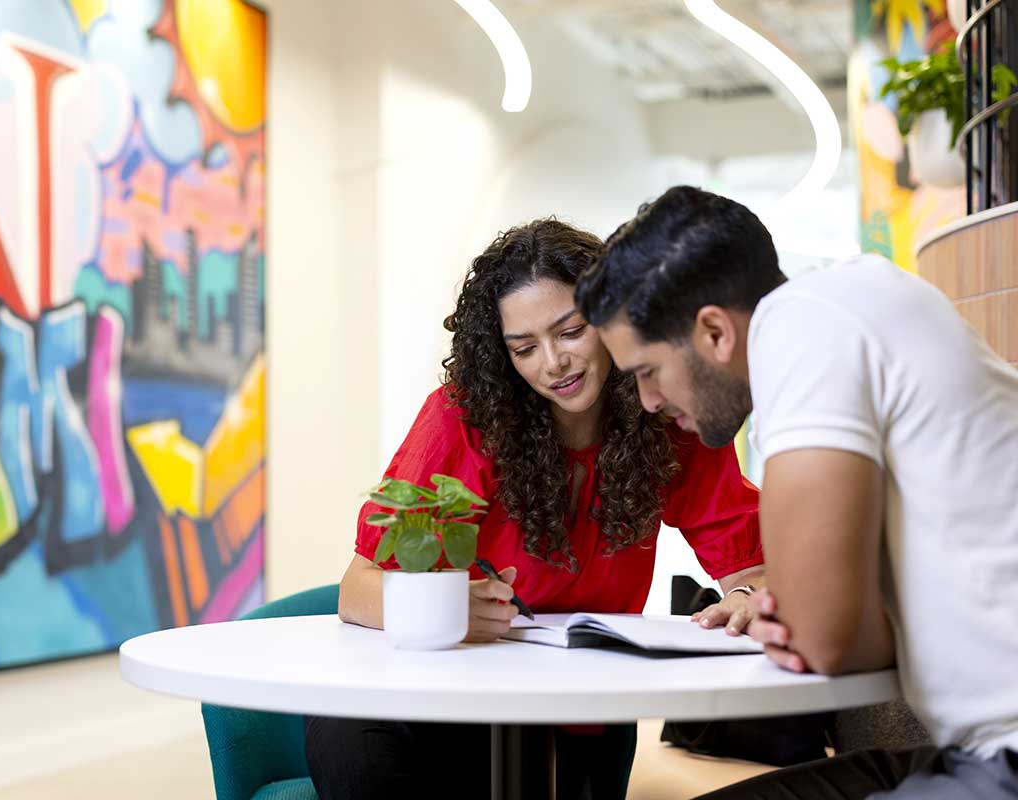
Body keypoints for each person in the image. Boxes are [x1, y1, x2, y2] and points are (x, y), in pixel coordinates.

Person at [574, 185, 1018, 799]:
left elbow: (829, 640)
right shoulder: (852, 300)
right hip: (975, 749)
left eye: (648, 371)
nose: (647, 401)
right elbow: (842, 632)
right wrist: (801, 607)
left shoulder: (801, 330)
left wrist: (807, 612)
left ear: (713, 332)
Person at [305, 218, 766, 799]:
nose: (553, 363)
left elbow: (748, 568)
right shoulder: (465, 416)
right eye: (524, 348)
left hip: (570, 710)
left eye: (571, 332)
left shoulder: (664, 409)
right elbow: (357, 589)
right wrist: (447, 611)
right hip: (441, 699)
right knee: (348, 732)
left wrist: (747, 597)